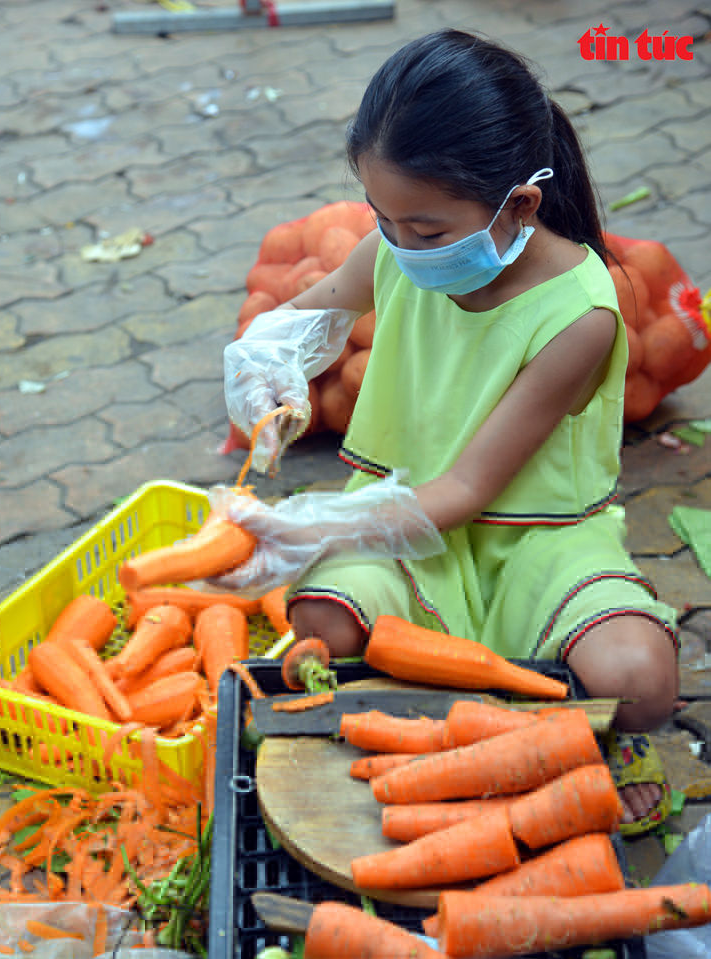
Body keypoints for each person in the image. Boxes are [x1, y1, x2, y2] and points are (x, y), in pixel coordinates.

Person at [214, 29, 679, 834]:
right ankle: (480, 731)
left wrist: (312, 521)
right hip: (411, 527)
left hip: (539, 538)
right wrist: (268, 360)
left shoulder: (581, 313)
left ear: (519, 207)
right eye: (383, 219)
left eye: (426, 231)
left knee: (639, 681)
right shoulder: (395, 250)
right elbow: (303, 316)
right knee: (317, 621)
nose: (399, 247)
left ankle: (580, 740)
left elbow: (466, 488)